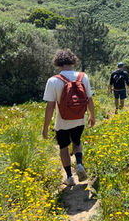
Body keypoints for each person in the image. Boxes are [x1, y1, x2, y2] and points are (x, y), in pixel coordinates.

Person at [42, 49, 95, 187]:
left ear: (58, 63)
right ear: (73, 61)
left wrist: (46, 127)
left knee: (64, 147)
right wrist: (92, 116)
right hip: (79, 119)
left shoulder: (53, 81)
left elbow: (50, 107)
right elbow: (89, 99)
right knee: (77, 142)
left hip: (62, 122)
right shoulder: (83, 77)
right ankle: (79, 164)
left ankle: (70, 177)